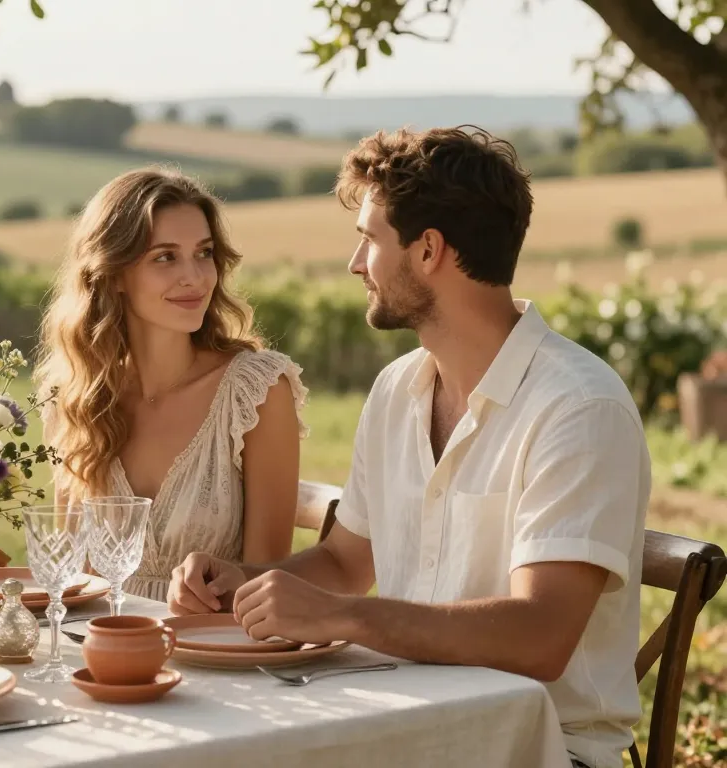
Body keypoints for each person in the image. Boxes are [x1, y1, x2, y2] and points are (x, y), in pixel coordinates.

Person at [168, 126, 650, 768]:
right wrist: (247, 584)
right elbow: (344, 562)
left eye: (369, 238)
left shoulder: (578, 408)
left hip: (538, 749)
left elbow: (541, 636)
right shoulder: (398, 389)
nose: (355, 263)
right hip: (404, 725)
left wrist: (347, 619)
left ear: (428, 251)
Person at [34, 168, 308, 604]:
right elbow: (70, 579)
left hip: (215, 654)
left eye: (203, 253)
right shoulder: (78, 398)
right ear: (114, 274)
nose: (195, 278)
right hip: (98, 649)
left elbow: (264, 585)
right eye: (165, 257)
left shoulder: (255, 392)